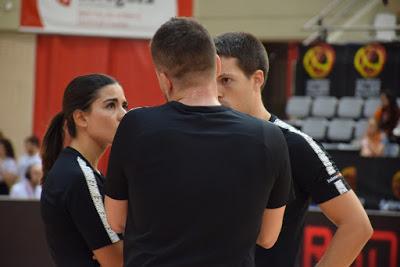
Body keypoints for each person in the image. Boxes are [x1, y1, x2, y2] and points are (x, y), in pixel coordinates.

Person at [105, 18, 293, 267]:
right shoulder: (269, 137)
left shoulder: (135, 126)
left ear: (164, 79)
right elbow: (268, 237)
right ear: (216, 65)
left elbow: (116, 221)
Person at [214, 32, 373, 267]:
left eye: (226, 80)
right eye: (211, 80)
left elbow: (357, 226)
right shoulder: (204, 138)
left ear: (257, 79)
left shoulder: (295, 145)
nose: (216, 92)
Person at [40, 74, 127, 267]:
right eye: (111, 105)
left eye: (124, 105)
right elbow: (117, 262)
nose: (123, 114)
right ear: (81, 118)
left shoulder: (81, 170)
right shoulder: (79, 176)